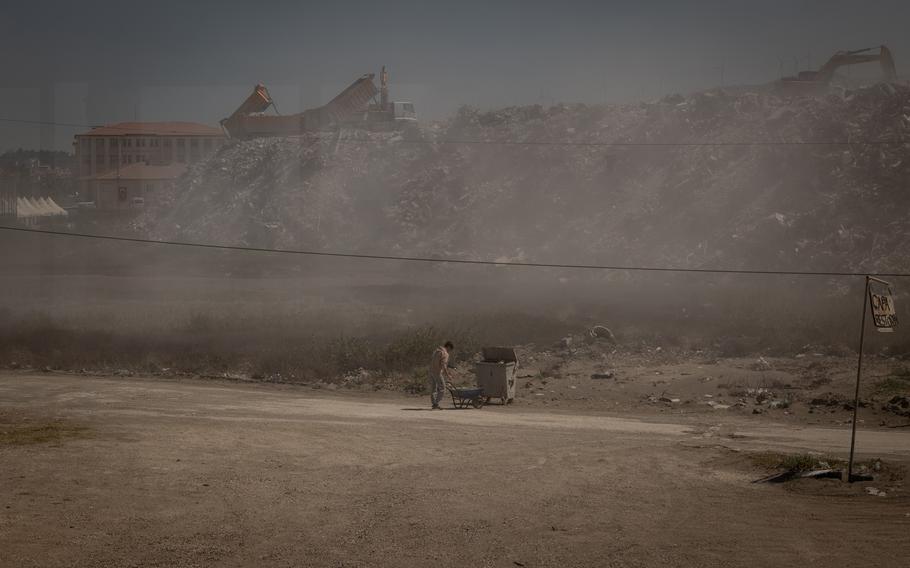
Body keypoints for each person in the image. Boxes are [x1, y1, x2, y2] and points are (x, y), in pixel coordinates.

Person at [428, 341, 455, 409]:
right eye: (450, 349)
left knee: (433, 388)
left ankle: (434, 403)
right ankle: (436, 403)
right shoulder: (445, 353)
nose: (450, 351)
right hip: (437, 372)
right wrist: (448, 375)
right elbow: (443, 365)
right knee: (442, 388)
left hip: (431, 371)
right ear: (448, 347)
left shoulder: (436, 351)